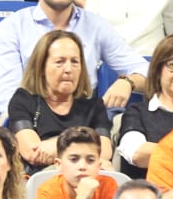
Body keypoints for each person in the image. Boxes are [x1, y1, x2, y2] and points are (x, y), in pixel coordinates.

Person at [0, 0, 149, 116]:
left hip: (84, 125)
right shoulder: (12, 27)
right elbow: (6, 101)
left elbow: (147, 71)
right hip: (28, 123)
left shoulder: (95, 25)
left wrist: (128, 81)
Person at [8, 29, 114, 173]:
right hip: (41, 179)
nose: (68, 69)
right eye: (60, 62)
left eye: (75, 62)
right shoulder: (24, 100)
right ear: (41, 67)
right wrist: (87, 151)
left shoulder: (93, 105)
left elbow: (105, 151)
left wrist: (57, 144)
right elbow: (32, 152)